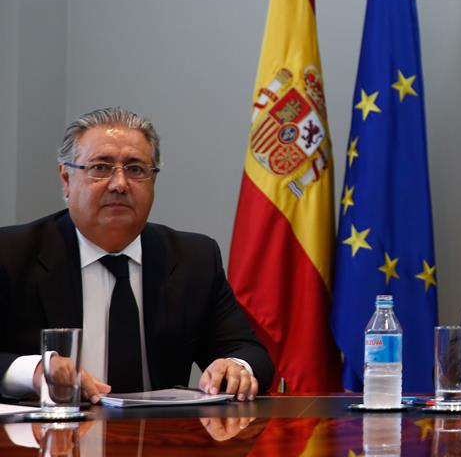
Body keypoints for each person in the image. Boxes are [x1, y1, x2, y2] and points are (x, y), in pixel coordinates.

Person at [0, 107, 273, 404]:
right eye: (101, 168)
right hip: (50, 441)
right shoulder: (12, 255)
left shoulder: (194, 259)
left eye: (135, 169)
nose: (119, 184)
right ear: (66, 179)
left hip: (159, 441)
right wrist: (37, 370)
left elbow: (249, 352)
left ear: (152, 181)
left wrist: (236, 367)